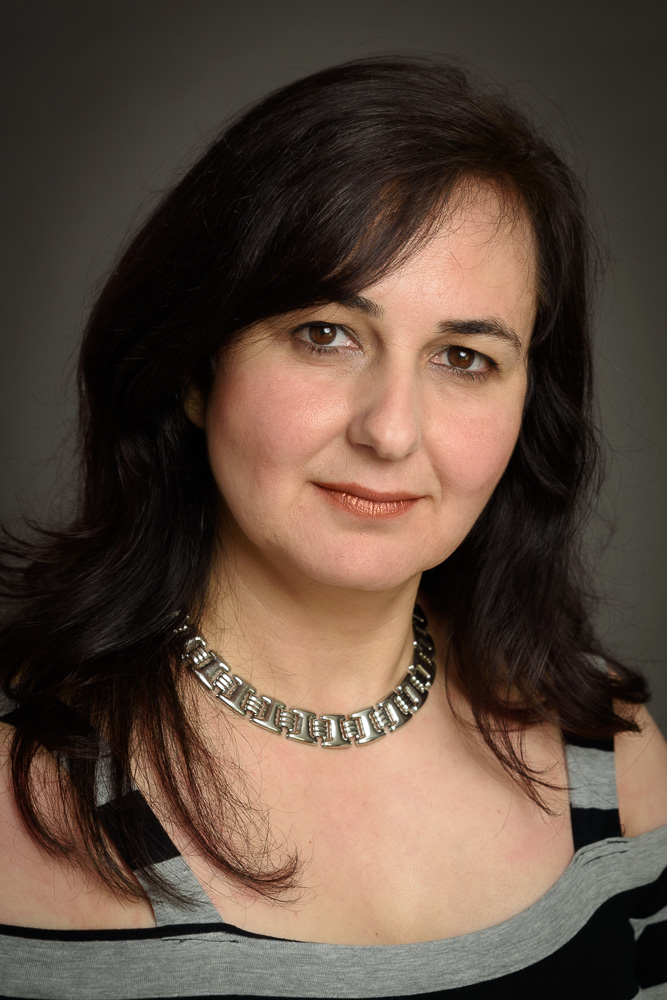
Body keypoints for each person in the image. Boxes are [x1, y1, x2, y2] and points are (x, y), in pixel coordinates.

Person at [0, 56, 665, 1000]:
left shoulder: (610, 750)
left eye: (463, 358)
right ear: (193, 368)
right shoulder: (18, 788)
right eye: (325, 335)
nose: (389, 432)